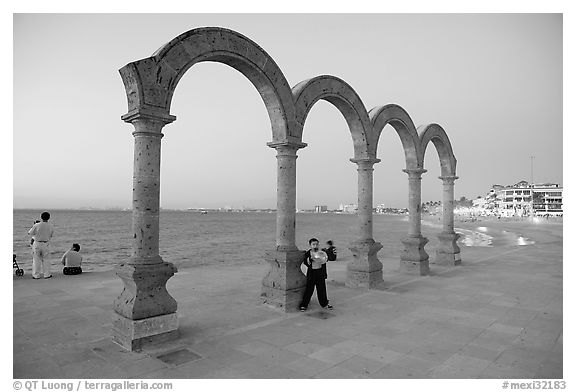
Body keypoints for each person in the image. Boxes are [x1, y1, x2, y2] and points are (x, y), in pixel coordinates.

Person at [299, 238, 332, 311]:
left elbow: (325, 259)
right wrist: (311, 259)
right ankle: (304, 304)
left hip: (320, 272)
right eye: (313, 244)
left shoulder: (321, 252)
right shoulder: (308, 253)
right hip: (312, 273)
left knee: (322, 289)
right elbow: (306, 263)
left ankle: (324, 303)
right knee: (309, 289)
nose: (315, 246)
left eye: (317, 244)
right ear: (310, 245)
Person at [27, 212, 54, 279]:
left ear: (41, 217)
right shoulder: (51, 226)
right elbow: (51, 235)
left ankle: (36, 275)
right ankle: (47, 274)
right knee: (46, 259)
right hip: (46, 243)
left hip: (37, 243)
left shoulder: (37, 225)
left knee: (36, 260)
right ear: (49, 218)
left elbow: (30, 233)